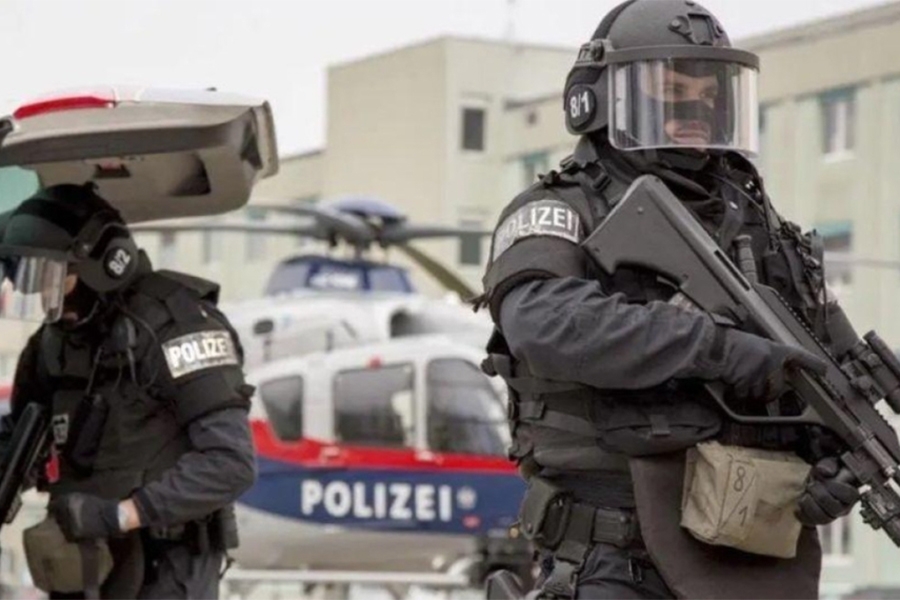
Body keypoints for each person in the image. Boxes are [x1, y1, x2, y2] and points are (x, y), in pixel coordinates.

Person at [480, 1, 862, 598]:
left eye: (710, 95)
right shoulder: (560, 209)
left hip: (751, 562)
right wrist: (717, 349)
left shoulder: (767, 233)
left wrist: (829, 463)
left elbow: (822, 372)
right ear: (599, 99)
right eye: (670, 92)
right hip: (614, 557)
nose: (694, 112)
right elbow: (546, 324)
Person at [0, 183, 257, 599]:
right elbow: (25, 443)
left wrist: (121, 515)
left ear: (102, 264)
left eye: (52, 278)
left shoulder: (176, 326)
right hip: (81, 565)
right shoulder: (53, 344)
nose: (43, 296)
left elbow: (230, 463)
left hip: (166, 567)